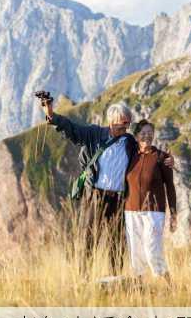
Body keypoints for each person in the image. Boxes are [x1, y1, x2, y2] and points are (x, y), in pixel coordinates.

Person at [40, 97, 174, 275]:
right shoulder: (95, 134)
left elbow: (147, 150)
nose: (126, 127)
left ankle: (115, 277)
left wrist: (166, 158)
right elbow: (71, 128)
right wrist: (51, 114)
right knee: (88, 238)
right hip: (96, 195)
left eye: (128, 123)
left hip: (119, 198)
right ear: (112, 120)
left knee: (116, 242)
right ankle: (83, 277)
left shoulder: (129, 142)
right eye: (123, 123)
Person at [124, 119, 177, 283]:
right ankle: (139, 286)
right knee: (135, 251)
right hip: (131, 210)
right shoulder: (130, 156)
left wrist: (173, 214)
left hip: (154, 211)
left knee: (152, 248)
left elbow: (170, 186)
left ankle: (168, 283)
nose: (147, 136)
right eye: (143, 133)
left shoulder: (162, 157)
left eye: (150, 132)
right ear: (137, 135)